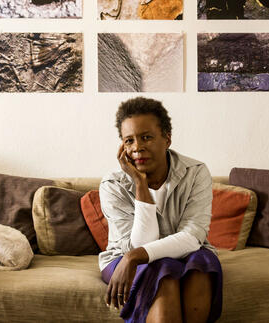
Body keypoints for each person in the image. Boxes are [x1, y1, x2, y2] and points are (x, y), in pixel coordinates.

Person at [99, 97, 223, 323]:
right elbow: (138, 244)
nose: (137, 148)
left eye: (146, 137)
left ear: (167, 138)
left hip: (178, 252)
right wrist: (139, 183)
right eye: (129, 141)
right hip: (121, 257)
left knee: (203, 263)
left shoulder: (195, 172)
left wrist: (133, 257)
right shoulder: (113, 185)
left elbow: (193, 236)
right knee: (164, 270)